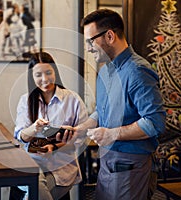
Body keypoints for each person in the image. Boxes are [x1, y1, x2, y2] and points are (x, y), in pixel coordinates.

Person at [61, 9, 166, 199]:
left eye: (90, 41)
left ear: (109, 36)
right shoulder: (104, 72)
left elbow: (155, 122)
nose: (88, 48)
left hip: (131, 165)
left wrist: (111, 134)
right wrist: (81, 128)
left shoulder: (138, 71)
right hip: (107, 162)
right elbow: (102, 112)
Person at [14, 51, 88, 199]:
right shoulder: (26, 100)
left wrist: (54, 147)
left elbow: (82, 137)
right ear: (31, 77)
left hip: (61, 168)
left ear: (55, 72)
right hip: (33, 163)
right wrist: (34, 128)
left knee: (35, 192)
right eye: (38, 75)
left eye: (48, 73)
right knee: (35, 185)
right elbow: (21, 136)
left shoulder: (72, 100)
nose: (45, 79)